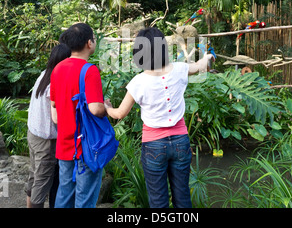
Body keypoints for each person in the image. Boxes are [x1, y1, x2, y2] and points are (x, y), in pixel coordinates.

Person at [104, 27, 215, 208]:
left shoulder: (138, 82)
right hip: (180, 142)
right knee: (183, 198)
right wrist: (208, 58)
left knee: (158, 201)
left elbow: (119, 114)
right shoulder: (179, 70)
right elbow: (201, 66)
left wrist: (107, 107)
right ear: (163, 48)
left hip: (153, 145)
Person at [50, 23, 106, 208]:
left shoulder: (57, 69)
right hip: (85, 146)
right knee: (85, 198)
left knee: (64, 193)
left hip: (65, 143)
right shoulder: (89, 70)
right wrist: (107, 106)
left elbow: (55, 107)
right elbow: (95, 109)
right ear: (89, 43)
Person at [26, 43, 71, 208]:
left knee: (33, 176)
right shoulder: (56, 83)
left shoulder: (44, 75)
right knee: (42, 183)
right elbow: (58, 117)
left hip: (33, 135)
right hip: (46, 141)